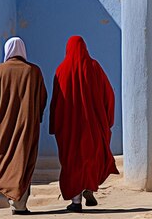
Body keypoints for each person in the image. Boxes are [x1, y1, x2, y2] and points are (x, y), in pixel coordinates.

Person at [49, 36, 119, 213]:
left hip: (69, 128)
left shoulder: (61, 70)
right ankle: (88, 187)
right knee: (91, 158)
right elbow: (109, 95)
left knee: (72, 162)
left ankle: (76, 201)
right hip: (93, 126)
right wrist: (107, 119)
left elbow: (56, 101)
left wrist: (54, 125)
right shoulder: (94, 67)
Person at [0, 37, 47, 215]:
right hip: (27, 126)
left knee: (7, 161)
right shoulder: (34, 71)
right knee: (24, 161)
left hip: (3, 128)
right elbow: (42, 99)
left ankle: (14, 201)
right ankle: (20, 203)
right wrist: (35, 117)